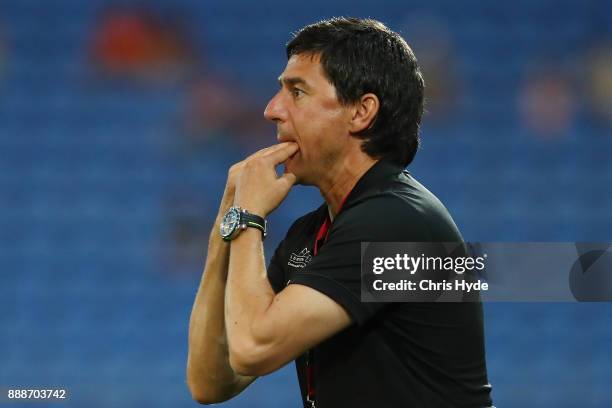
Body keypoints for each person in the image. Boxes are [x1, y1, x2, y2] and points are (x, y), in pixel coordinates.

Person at [187, 17, 493, 407]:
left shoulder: (399, 224)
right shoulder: (313, 234)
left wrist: (248, 217)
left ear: (361, 112)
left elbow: (253, 348)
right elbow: (210, 381)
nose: (271, 110)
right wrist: (224, 230)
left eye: (297, 92)